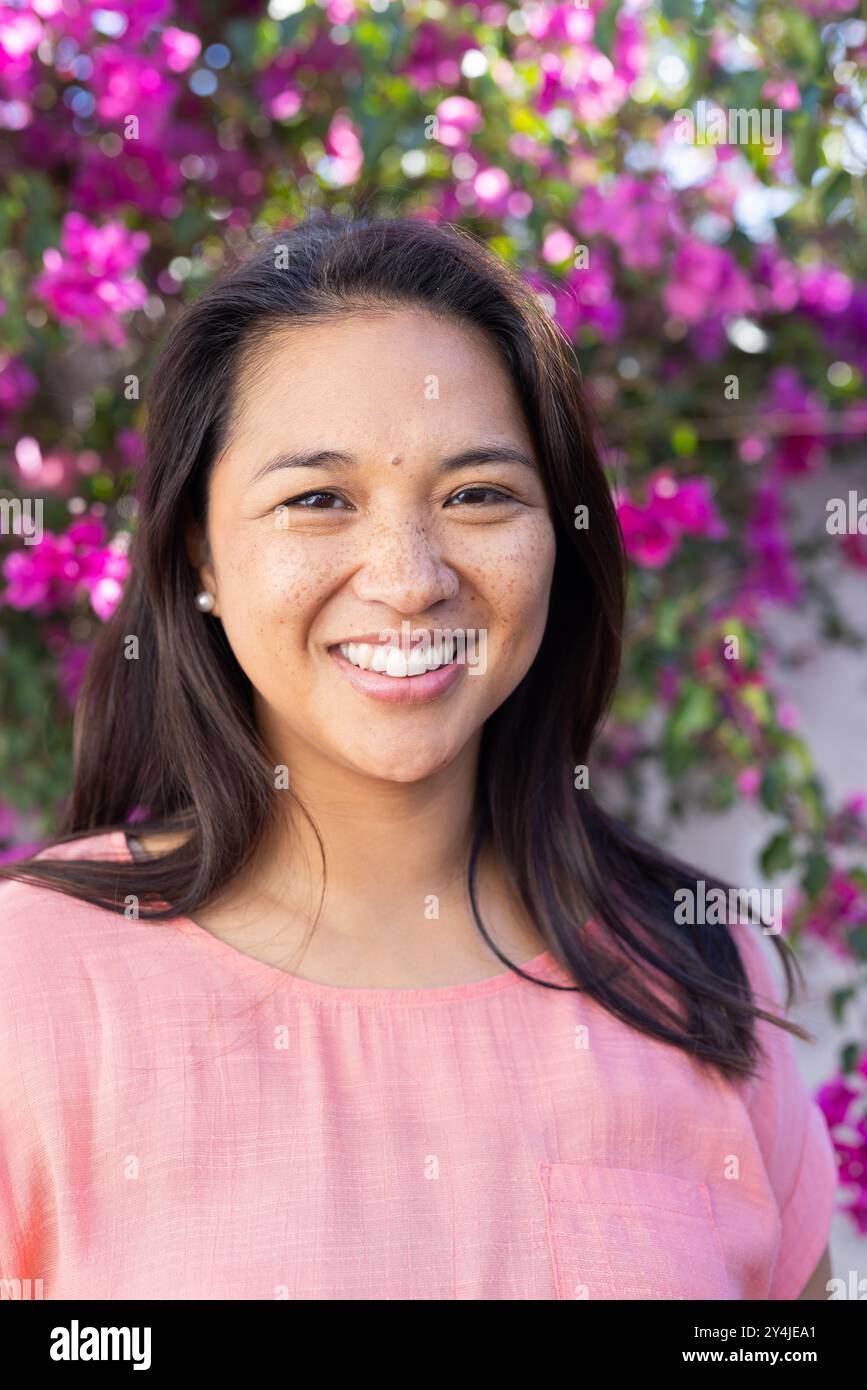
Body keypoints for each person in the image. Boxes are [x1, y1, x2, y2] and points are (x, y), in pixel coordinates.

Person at [0, 212, 836, 1300]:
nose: (408, 576)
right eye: (317, 500)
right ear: (200, 553)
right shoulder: (33, 986)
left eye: (478, 495)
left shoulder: (701, 979)